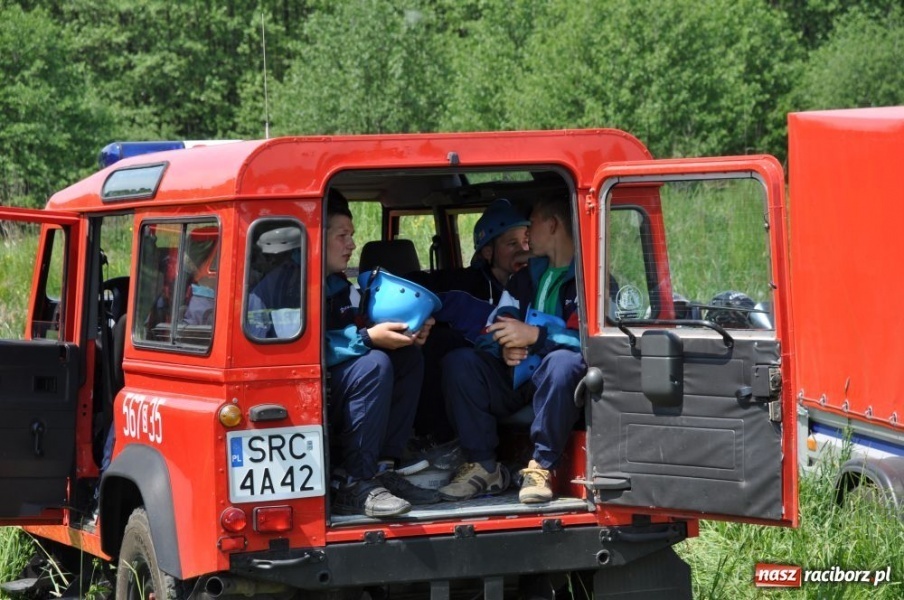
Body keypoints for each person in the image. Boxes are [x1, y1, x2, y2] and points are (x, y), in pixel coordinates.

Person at [437, 195, 585, 504]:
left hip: (561, 385)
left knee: (561, 363)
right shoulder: (524, 278)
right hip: (516, 378)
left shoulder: (587, 279)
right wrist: (503, 346)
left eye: (531, 226)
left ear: (553, 225)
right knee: (460, 361)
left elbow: (587, 340)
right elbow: (493, 327)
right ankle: (484, 467)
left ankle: (542, 467)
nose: (526, 235)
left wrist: (535, 335)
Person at [324, 189, 440, 517]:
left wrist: (406, 334)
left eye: (352, 236)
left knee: (406, 357)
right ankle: (355, 481)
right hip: (306, 395)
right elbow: (301, 349)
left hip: (341, 390)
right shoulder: (287, 286)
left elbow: (364, 330)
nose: (351, 245)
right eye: (342, 236)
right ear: (314, 237)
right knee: (374, 364)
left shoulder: (343, 289)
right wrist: (368, 339)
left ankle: (383, 469)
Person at [411, 199, 530, 453]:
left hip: (523, 377)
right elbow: (416, 289)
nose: (523, 250)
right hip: (478, 377)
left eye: (526, 241)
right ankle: (438, 440)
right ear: (488, 252)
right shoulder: (463, 286)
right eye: (511, 243)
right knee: (442, 344)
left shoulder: (538, 282)